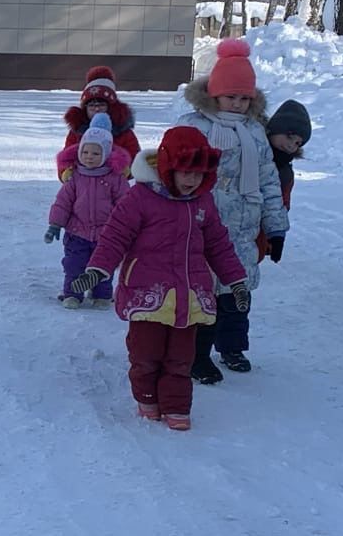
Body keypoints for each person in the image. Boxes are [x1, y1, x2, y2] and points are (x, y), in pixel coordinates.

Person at [71, 126, 249, 431]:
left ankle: (177, 407)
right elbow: (115, 237)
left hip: (189, 296)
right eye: (185, 172)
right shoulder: (140, 197)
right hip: (148, 293)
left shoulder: (202, 202)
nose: (191, 180)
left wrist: (237, 282)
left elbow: (219, 245)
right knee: (146, 354)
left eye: (198, 173)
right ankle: (148, 398)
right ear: (167, 166)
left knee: (181, 358)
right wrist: (97, 270)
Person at [177, 38, 288, 380]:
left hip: (243, 229)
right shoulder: (196, 127)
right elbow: (172, 170)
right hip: (202, 226)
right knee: (206, 293)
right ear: (214, 94)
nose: (238, 104)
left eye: (244, 98)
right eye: (231, 97)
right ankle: (198, 355)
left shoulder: (255, 132)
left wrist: (276, 228)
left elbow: (270, 180)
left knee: (238, 292)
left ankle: (232, 346)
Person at [46, 114, 129, 308]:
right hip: (77, 232)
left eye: (95, 153)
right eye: (86, 152)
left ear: (106, 154)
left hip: (106, 233)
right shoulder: (75, 177)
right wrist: (55, 225)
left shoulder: (115, 179)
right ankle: (72, 294)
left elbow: (125, 205)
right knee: (74, 265)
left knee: (103, 265)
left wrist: (125, 228)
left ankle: (101, 295)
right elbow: (63, 202)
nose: (89, 157)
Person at [58, 66, 140, 178]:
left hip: (113, 185)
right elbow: (67, 157)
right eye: (91, 105)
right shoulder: (77, 132)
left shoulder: (124, 133)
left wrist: (126, 170)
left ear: (111, 107)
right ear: (85, 109)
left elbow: (134, 158)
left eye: (101, 105)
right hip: (83, 184)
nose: (96, 109)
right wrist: (65, 172)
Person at [266, 99, 312, 213]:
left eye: (298, 143)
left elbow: (283, 205)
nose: (291, 145)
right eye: (290, 137)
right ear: (276, 129)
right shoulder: (251, 151)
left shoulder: (285, 172)